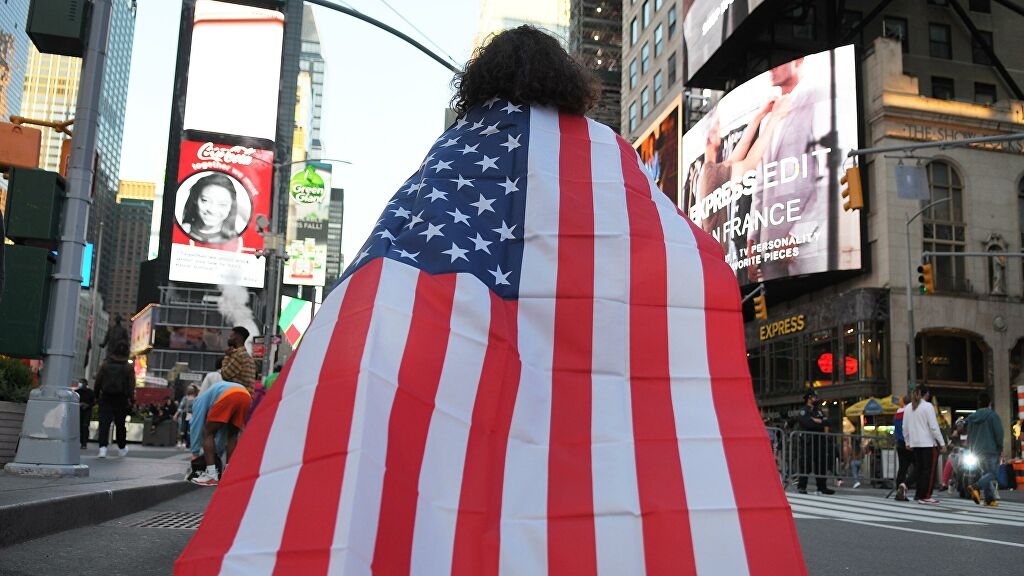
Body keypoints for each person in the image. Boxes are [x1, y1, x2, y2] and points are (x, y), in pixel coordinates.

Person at [176, 25, 807, 573]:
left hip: (475, 361)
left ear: (479, 81)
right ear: (567, 81)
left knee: (473, 485)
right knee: (577, 490)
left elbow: (387, 265)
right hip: (580, 364)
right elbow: (671, 246)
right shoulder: (606, 154)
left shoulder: (456, 155)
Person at [746, 55, 832, 282]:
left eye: (779, 61)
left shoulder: (818, 97)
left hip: (805, 250)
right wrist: (753, 241)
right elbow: (761, 185)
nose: (771, 69)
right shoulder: (769, 117)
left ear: (800, 60)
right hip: (770, 249)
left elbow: (828, 177)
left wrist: (797, 236)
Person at [188, 380, 252, 486]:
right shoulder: (214, 393)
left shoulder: (198, 401)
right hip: (245, 395)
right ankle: (229, 474)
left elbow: (196, 426)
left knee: (207, 432)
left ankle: (211, 476)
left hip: (229, 395)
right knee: (232, 435)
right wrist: (218, 451)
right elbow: (222, 433)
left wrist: (195, 454)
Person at [903, 387, 946, 504]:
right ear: (926, 394)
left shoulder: (908, 408)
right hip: (927, 443)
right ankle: (926, 495)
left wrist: (907, 442)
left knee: (920, 469)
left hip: (915, 443)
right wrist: (942, 443)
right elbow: (934, 427)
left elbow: (905, 428)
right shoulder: (928, 407)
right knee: (928, 471)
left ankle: (913, 491)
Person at [93, 342, 136, 458]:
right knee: (120, 424)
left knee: (104, 424)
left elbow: (98, 382)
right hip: (121, 398)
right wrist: (132, 399)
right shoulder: (128, 367)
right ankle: (121, 447)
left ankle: (102, 449)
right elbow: (131, 385)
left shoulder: (105, 365)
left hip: (106, 397)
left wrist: (96, 396)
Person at [179, 172, 240, 245]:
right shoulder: (180, 232)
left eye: (223, 204)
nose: (212, 210)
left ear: (231, 206)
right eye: (205, 200)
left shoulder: (237, 241)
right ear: (195, 198)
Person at [966, 391, 1004, 507]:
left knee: (985, 473)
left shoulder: (972, 418)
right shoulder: (993, 416)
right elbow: (999, 433)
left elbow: (969, 434)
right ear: (990, 403)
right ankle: (975, 487)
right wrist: (1000, 447)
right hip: (991, 449)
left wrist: (971, 448)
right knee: (993, 473)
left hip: (977, 451)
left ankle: (989, 499)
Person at [797, 390, 835, 495]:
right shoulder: (804, 411)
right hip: (808, 442)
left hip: (819, 442)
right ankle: (802, 486)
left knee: (821, 464)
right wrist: (819, 422)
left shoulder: (818, 411)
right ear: (809, 398)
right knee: (806, 464)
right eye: (814, 397)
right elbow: (808, 424)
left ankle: (822, 487)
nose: (816, 399)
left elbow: (828, 422)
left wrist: (817, 420)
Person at [219, 326, 256, 391]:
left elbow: (224, 375)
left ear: (238, 338)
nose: (228, 338)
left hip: (236, 395)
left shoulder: (238, 355)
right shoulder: (249, 357)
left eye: (231, 336)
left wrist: (227, 356)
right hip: (246, 396)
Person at [893, 394, 913, 501]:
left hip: (899, 443)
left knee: (902, 468)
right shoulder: (909, 412)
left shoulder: (898, 412)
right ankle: (905, 485)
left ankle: (899, 488)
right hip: (909, 442)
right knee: (918, 467)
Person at [73, 378, 95, 449]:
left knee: (85, 426)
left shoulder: (90, 392)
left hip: (87, 411)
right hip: (78, 411)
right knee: (78, 427)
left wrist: (87, 405)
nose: (80, 384)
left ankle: (84, 443)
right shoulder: (76, 392)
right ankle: (78, 441)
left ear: (86, 384)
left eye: (81, 383)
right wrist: (79, 404)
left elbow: (94, 402)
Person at [175, 384, 199, 449]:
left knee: (190, 429)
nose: (190, 390)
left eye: (191, 389)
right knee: (183, 428)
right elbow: (180, 407)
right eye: (189, 389)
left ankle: (188, 443)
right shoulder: (185, 398)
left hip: (192, 415)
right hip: (185, 414)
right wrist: (176, 414)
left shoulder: (196, 399)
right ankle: (182, 441)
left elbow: (197, 408)